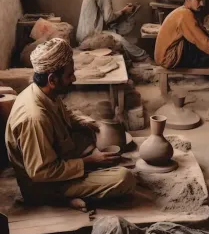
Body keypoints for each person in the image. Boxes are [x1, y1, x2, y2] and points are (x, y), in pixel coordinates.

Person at [5, 38, 136, 211]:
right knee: (124, 178)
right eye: (69, 75)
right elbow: (41, 173)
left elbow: (66, 113)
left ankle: (84, 179)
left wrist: (89, 123)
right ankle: (60, 199)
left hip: (58, 157)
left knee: (88, 132)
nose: (74, 78)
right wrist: (88, 161)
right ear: (52, 79)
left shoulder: (44, 91)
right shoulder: (34, 118)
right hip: (44, 186)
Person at [76, 0, 148, 62]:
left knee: (118, 31)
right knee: (121, 40)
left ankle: (134, 57)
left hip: (83, 33)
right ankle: (144, 56)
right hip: (91, 35)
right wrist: (124, 10)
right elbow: (109, 18)